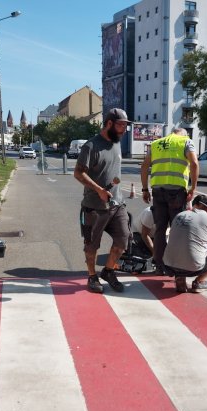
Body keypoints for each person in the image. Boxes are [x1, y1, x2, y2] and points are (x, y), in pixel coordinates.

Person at [74, 108, 131, 293]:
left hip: (117, 205)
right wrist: (99, 190)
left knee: (123, 241)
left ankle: (108, 271)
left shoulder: (116, 143)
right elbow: (78, 173)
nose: (124, 130)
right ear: (109, 124)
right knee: (91, 246)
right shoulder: (91, 146)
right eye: (121, 125)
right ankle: (92, 276)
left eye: (125, 126)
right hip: (94, 208)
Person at [140, 127, 198, 274]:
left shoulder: (156, 144)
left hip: (158, 191)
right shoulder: (186, 142)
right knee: (178, 229)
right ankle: (177, 267)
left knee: (160, 229)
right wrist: (193, 189)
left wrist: (145, 189)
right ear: (184, 134)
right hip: (177, 192)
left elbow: (145, 165)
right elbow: (194, 164)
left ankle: (159, 266)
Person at [163, 194, 207, 293]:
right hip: (192, 268)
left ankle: (180, 278)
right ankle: (198, 282)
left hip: (168, 265)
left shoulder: (180, 215)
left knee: (182, 245)